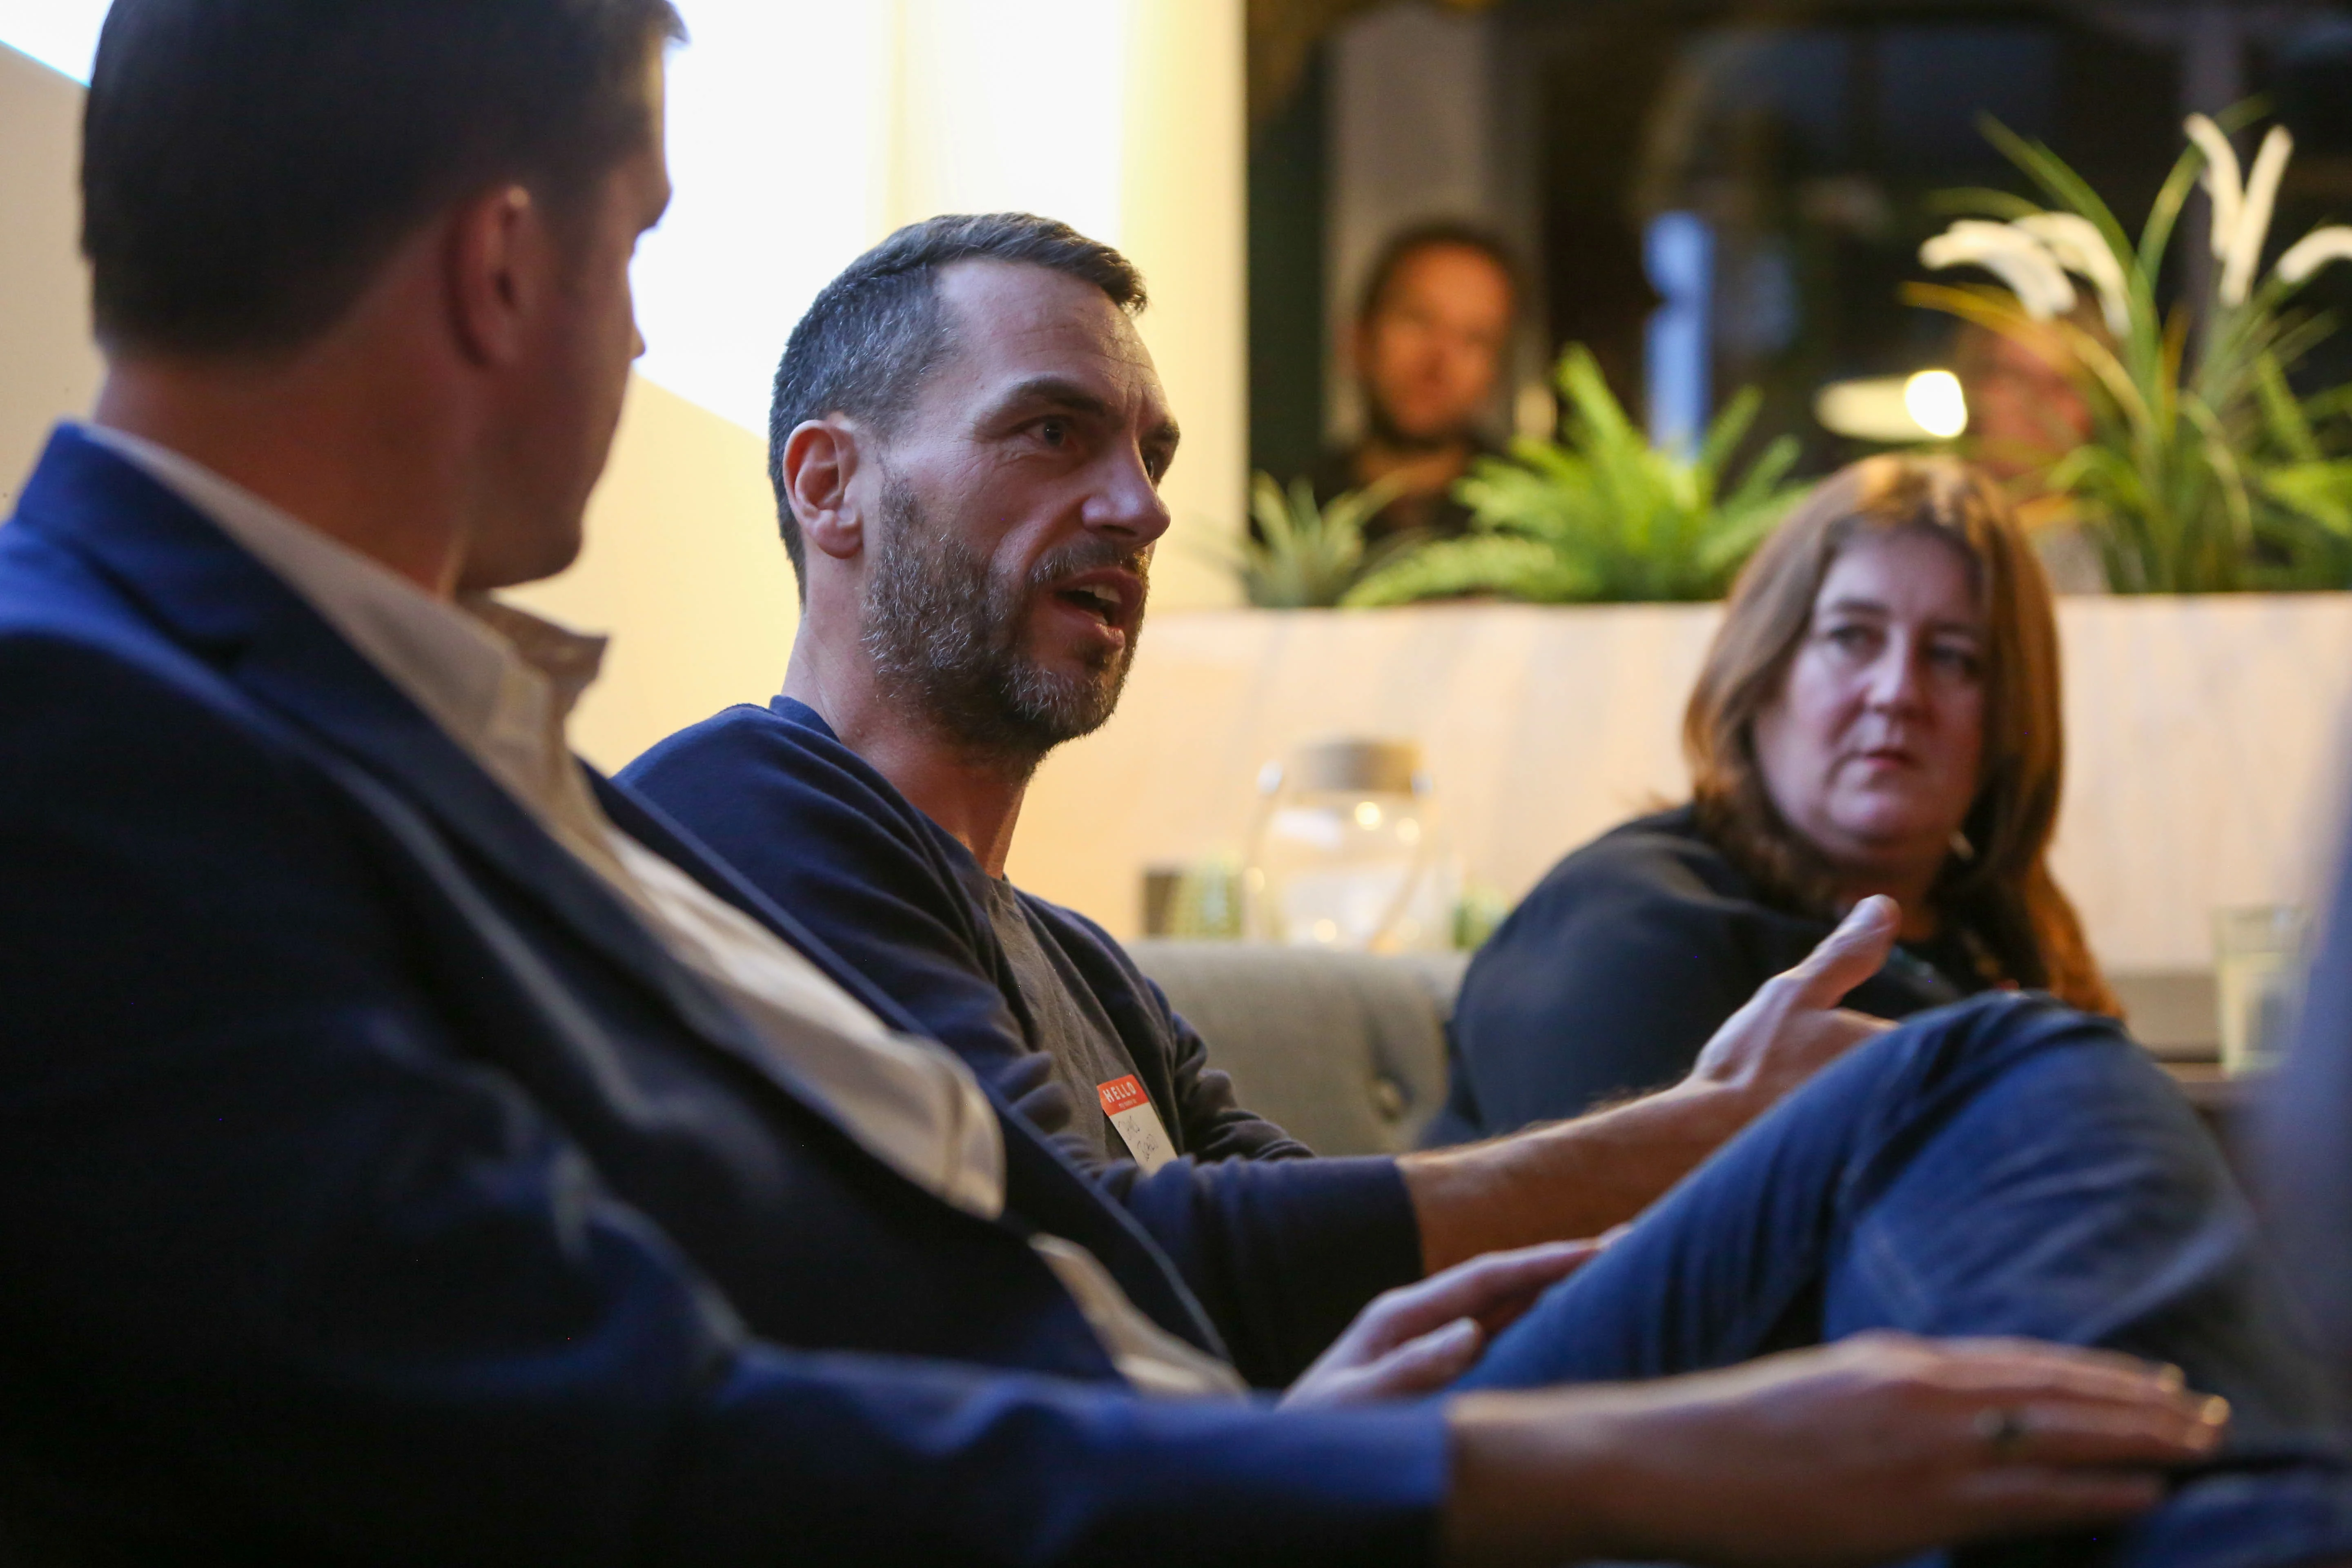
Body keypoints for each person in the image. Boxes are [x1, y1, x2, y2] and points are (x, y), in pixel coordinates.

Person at [0, 4, 2281, 1563]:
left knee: (1999, 1096)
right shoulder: (106, 739)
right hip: (1200, 1498)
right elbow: (632, 1429)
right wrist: (1559, 1445)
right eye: (638, 252)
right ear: (504, 263)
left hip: (1232, 1446)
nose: (628, 336)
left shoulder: (451, 757)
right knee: (2002, 1098)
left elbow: (1080, 1243)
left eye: (1150, 458)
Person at [618, 219, 2352, 1558]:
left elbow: (1313, 1251)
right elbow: (1086, 1253)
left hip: (1322, 1444)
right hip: (1261, 1500)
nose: (1138, 505)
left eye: (1150, 450)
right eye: (1056, 431)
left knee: (1985, 1164)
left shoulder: (1083, 967)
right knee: (1990, 1068)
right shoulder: (747, 803)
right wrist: (1698, 1135)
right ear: (828, 484)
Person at [1431, 456, 2117, 1140]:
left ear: (2009, 717)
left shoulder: (2016, 950)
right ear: (1762, 671)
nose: (1897, 692)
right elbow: (1605, 1225)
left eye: (1952, 656)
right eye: (1851, 637)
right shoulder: (1630, 921)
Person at [1302, 221, 1517, 544]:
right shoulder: (1281, 510)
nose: (1439, 362)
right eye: (1418, 320)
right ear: (1358, 336)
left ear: (1498, 371)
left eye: (1475, 339)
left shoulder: (1538, 523)